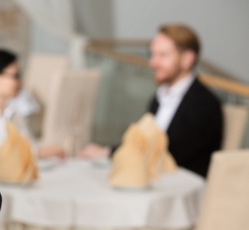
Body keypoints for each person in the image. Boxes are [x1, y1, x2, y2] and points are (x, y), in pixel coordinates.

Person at [80, 24, 223, 177]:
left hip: (180, 187)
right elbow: (144, 142)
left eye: (162, 55)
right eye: (153, 55)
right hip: (155, 177)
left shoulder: (204, 105)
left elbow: (166, 155)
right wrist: (108, 151)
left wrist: (110, 153)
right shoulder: (159, 97)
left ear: (187, 59)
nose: (152, 63)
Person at [0, 49, 66, 175]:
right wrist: (41, 152)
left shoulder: (12, 111)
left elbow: (26, 144)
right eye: (15, 76)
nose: (20, 82)